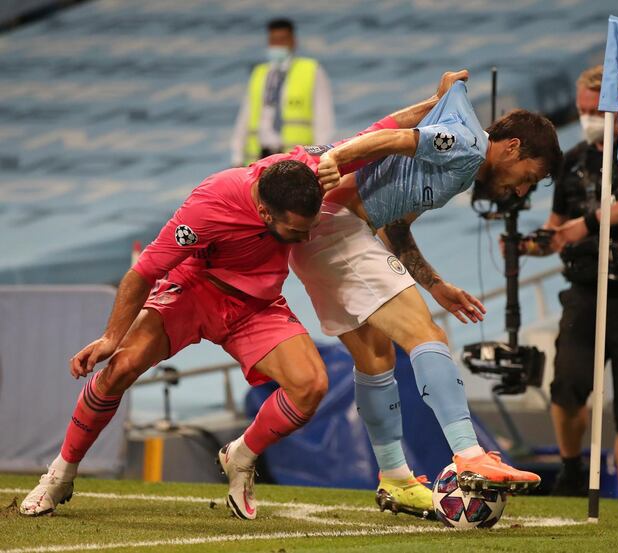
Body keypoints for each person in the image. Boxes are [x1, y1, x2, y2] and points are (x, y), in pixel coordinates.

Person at [18, 72, 466, 520]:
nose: (305, 237)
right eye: (296, 231)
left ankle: (242, 456)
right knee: (121, 368)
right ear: (264, 210)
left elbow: (382, 128)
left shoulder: (310, 167)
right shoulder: (209, 205)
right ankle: (59, 475)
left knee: (310, 386)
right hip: (196, 291)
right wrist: (112, 336)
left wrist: (435, 100)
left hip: (256, 308)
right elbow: (143, 272)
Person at [290, 76, 563, 517]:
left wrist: (436, 285)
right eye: (527, 178)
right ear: (511, 148)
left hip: (324, 232)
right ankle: (469, 454)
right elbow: (396, 138)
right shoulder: (470, 146)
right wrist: (336, 158)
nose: (520, 190)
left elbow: (395, 225)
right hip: (335, 225)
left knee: (376, 359)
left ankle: (395, 478)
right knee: (426, 333)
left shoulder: (461, 166)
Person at [511, 65, 618, 500]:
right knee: (566, 385)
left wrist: (591, 222)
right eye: (582, 109)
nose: (586, 118)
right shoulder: (573, 163)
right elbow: (556, 228)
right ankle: (570, 467)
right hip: (586, 290)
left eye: (595, 109)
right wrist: (530, 244)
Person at [230, 17, 334, 167]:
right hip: (259, 156)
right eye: (273, 40)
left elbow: (323, 120)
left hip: (295, 159)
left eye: (282, 40)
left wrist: (319, 159)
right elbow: (245, 116)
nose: (277, 45)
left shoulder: (311, 70)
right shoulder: (260, 73)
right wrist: (237, 155)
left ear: (293, 42)